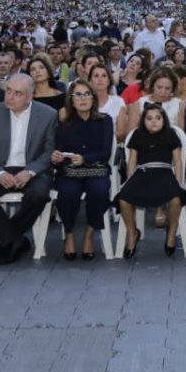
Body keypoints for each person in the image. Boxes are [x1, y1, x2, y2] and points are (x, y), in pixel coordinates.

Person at [0, 73, 59, 263]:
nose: (10, 97)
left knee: (39, 194)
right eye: (8, 91)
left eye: (17, 93)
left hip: (33, 170)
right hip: (0, 168)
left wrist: (30, 171)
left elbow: (49, 152)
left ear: (29, 97)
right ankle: (16, 240)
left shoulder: (48, 115)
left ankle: (8, 238)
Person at [52, 79, 114, 261]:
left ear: (93, 98)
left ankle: (89, 232)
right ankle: (69, 232)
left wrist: (85, 159)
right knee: (67, 193)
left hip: (96, 169)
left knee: (100, 191)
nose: (83, 99)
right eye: (78, 95)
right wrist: (56, 157)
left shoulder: (105, 120)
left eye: (87, 94)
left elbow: (106, 152)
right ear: (71, 100)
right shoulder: (64, 123)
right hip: (70, 172)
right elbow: (58, 151)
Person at [117, 104, 186, 259]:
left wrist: (179, 182)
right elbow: (132, 160)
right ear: (143, 121)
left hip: (164, 173)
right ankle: (132, 233)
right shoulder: (138, 134)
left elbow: (178, 161)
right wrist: (129, 181)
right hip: (143, 173)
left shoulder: (170, 134)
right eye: (149, 118)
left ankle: (171, 232)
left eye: (158, 118)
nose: (153, 121)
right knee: (123, 198)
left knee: (176, 199)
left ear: (164, 120)